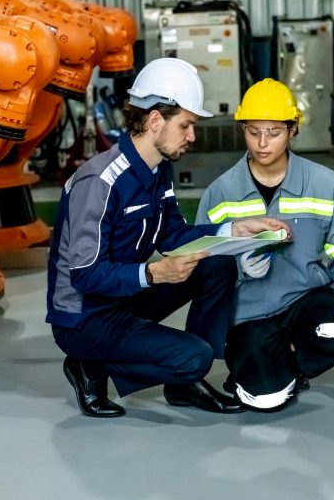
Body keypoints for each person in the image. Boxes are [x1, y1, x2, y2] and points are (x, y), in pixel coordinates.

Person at [47, 58, 289, 418]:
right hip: (85, 317)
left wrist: (234, 229)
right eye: (186, 125)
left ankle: (185, 382)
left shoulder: (158, 171)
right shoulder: (99, 182)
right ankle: (89, 364)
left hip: (124, 296)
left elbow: (173, 234)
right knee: (195, 357)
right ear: (156, 120)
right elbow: (83, 275)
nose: (192, 136)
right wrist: (154, 275)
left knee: (217, 265)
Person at [196, 78, 334, 411]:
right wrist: (237, 265)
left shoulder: (322, 183)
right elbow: (201, 259)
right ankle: (267, 366)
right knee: (266, 399)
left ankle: (286, 355)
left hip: (305, 299)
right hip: (249, 311)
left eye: (273, 132)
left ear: (293, 130)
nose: (262, 143)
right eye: (253, 131)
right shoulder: (221, 193)